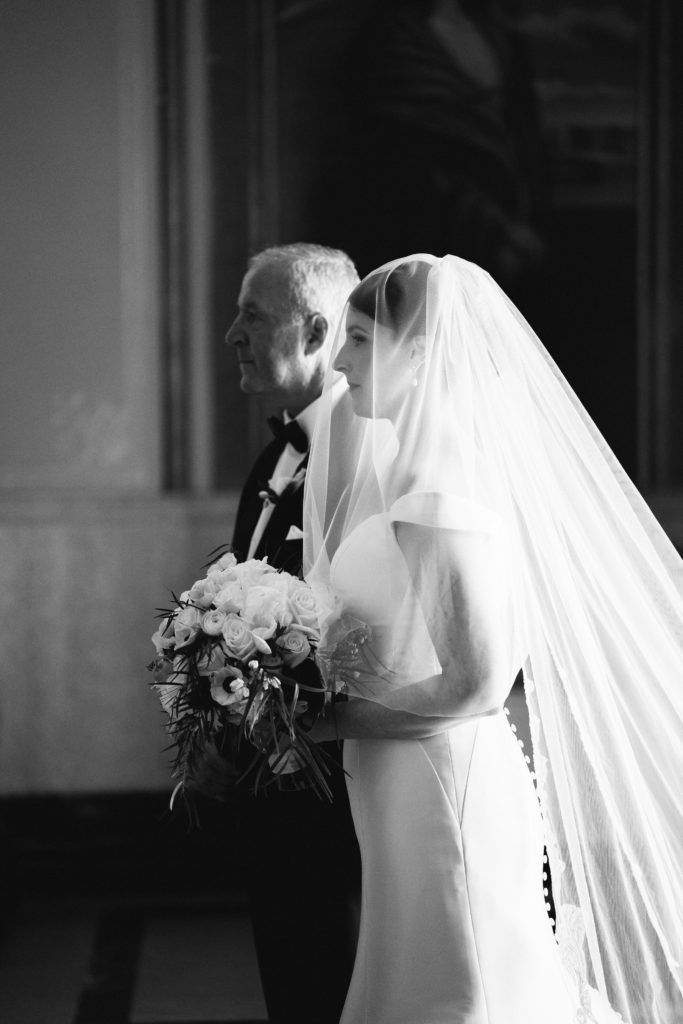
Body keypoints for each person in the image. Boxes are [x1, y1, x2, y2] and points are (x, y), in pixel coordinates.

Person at [303, 254, 683, 1024]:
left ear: (419, 351)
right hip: (400, 776)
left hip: (440, 780)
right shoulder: (405, 465)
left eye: (360, 340)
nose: (339, 364)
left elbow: (477, 682)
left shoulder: (435, 482)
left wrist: (325, 720)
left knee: (462, 989)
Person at [198, 243, 362, 1024]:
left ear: (316, 329)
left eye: (252, 316)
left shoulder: (366, 459)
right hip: (272, 791)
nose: (231, 334)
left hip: (338, 796)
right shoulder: (275, 452)